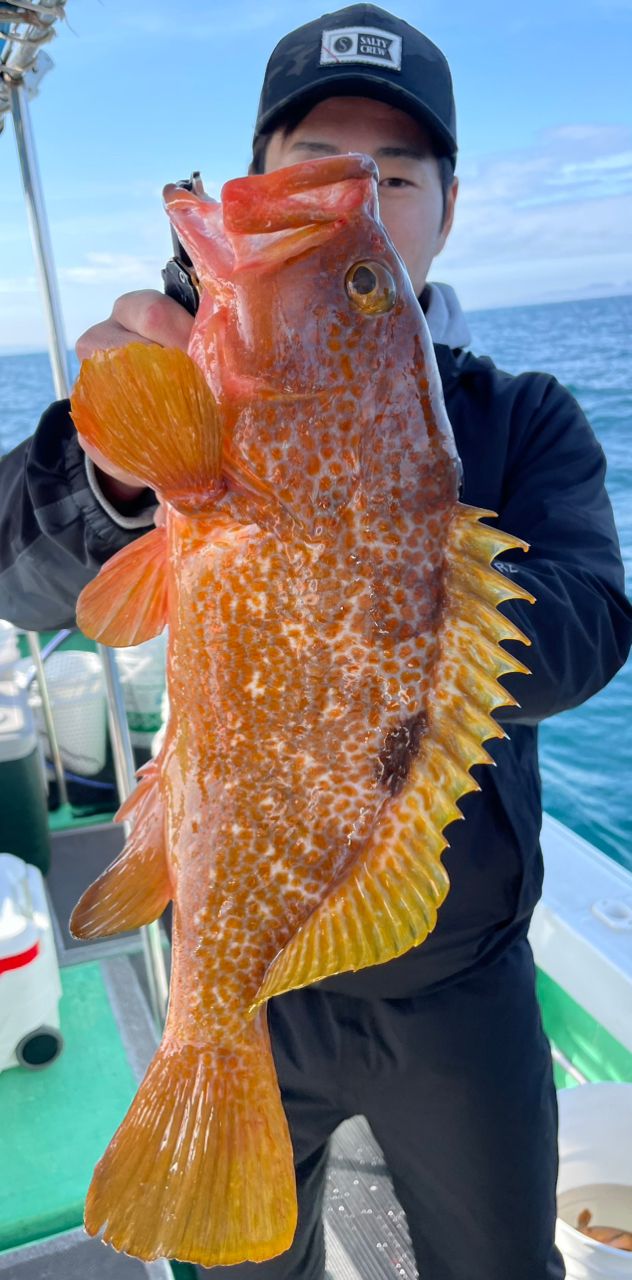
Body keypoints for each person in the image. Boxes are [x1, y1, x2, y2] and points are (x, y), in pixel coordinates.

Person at [1, 6, 631, 1278]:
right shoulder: (167, 388)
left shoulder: (524, 415)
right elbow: (22, 571)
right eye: (315, 161)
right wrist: (122, 476)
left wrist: (412, 607)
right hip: (245, 960)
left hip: (459, 986)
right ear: (249, 179)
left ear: (443, 211)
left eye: (393, 176)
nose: (354, 193)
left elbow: (597, 624)